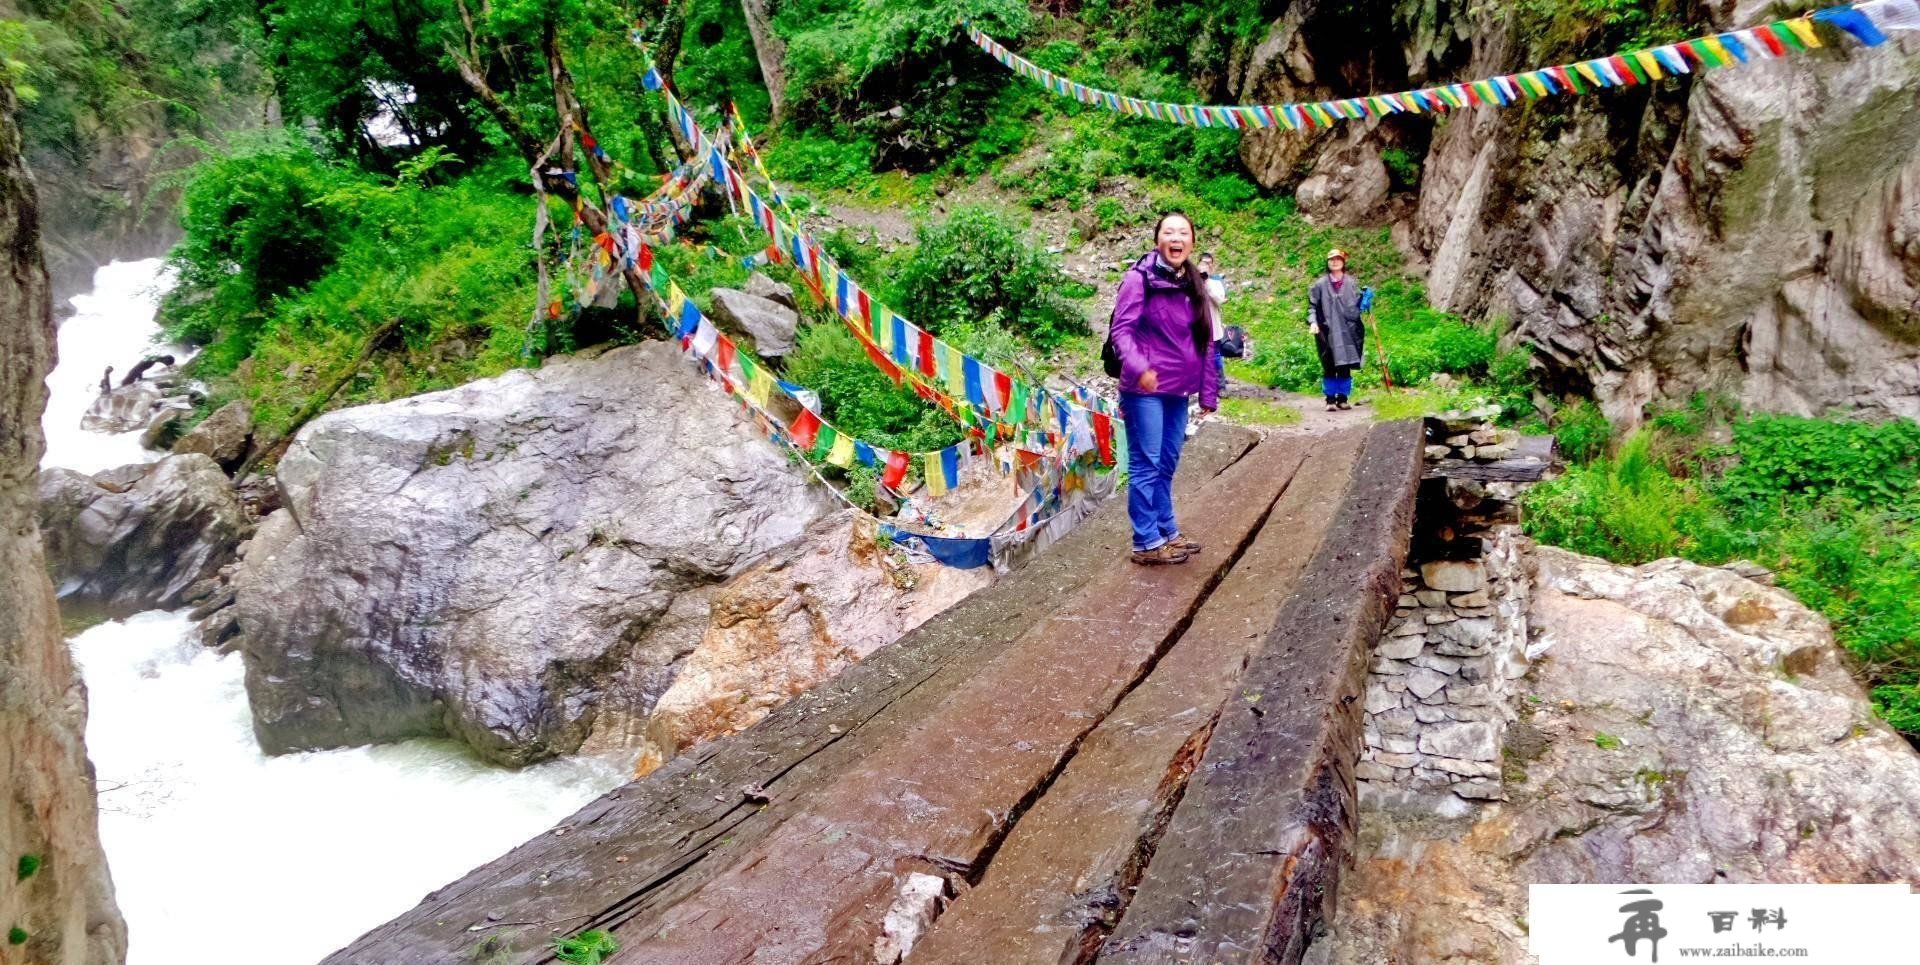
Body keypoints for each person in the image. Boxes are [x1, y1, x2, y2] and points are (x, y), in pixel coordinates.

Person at [1110, 211, 1221, 566]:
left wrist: (1208, 391)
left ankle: (1166, 530)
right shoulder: (1137, 279)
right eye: (1169, 232)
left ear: (1191, 242)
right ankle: (1145, 541)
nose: (1176, 238)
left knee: (1168, 462)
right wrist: (1139, 367)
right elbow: (1121, 332)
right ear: (1158, 240)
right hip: (1144, 388)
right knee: (1147, 463)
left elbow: (1206, 339)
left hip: (1178, 389)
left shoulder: (1193, 282)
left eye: (1183, 233)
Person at [1307, 248, 1365, 411]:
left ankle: (1343, 398)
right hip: (1327, 332)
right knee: (1330, 365)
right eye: (1331, 259)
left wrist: (1365, 300)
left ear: (1343, 262)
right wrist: (1313, 322)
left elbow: (1356, 305)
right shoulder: (1319, 285)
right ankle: (1330, 400)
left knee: (1345, 365)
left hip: (1348, 331)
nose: (1335, 262)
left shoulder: (1351, 283)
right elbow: (1311, 307)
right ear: (1328, 262)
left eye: (1338, 259)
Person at [1187, 252, 1229, 438]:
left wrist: (1207, 284)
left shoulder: (1215, 283)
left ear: (1212, 266)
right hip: (1198, 328)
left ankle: (1219, 386)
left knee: (1216, 358)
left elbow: (1220, 300)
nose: (1205, 267)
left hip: (1214, 327)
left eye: (1209, 264)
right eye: (1203, 263)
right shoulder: (1191, 281)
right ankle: (1199, 386)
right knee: (1198, 357)